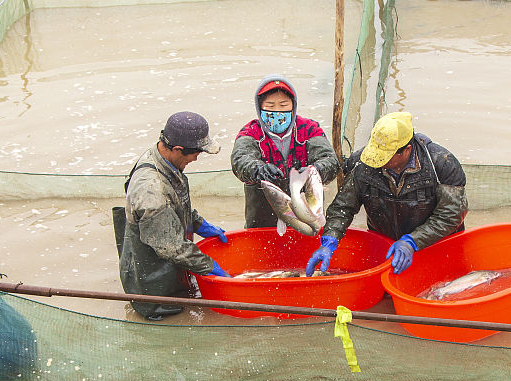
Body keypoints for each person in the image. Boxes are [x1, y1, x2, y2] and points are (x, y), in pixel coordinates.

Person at [305, 111, 466, 276]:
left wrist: (413, 241)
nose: (377, 162)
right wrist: (329, 241)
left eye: (385, 157)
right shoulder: (362, 163)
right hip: (385, 243)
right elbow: (343, 207)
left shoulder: (441, 164)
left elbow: (451, 215)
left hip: (437, 245)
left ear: (406, 150)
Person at [115, 111, 230, 320]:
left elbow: (174, 202)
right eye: (196, 153)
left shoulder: (163, 158)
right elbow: (172, 247)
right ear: (177, 149)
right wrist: (209, 266)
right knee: (165, 314)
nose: (197, 158)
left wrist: (198, 223)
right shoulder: (150, 190)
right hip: (151, 279)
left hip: (166, 247)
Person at [230, 75, 341, 229]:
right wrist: (257, 169)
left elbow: (329, 159)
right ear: (259, 107)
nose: (277, 111)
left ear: (293, 106)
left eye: (283, 105)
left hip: (306, 209)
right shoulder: (250, 132)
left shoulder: (309, 129)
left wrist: (316, 171)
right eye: (270, 105)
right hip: (262, 214)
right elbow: (240, 160)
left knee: (309, 238)